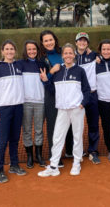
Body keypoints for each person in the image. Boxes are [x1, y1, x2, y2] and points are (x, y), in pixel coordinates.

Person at [38, 43, 91, 177]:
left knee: (77, 137)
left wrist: (82, 104)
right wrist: (45, 80)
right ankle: (54, 166)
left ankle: (76, 163)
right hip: (62, 110)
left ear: (74, 55)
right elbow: (52, 90)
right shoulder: (57, 71)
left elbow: (86, 90)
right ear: (62, 56)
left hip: (76, 109)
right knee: (57, 137)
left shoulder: (80, 71)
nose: (68, 55)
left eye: (70, 53)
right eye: (65, 53)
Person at [0, 40, 26, 184]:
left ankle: (14, 165)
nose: (9, 51)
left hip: (18, 107)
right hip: (3, 109)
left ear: (15, 51)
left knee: (15, 139)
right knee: (3, 141)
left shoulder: (19, 65)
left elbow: (33, 62)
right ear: (2, 51)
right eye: (7, 49)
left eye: (12, 49)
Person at [39, 30, 73, 167]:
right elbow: (43, 79)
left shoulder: (63, 52)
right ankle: (55, 156)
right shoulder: (41, 59)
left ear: (55, 40)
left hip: (67, 93)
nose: (49, 42)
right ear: (42, 43)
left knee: (70, 122)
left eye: (50, 39)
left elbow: (76, 57)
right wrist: (52, 71)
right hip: (51, 95)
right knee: (53, 126)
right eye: (46, 40)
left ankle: (70, 151)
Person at [74, 32, 100, 164]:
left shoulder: (94, 55)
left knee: (93, 124)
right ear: (76, 42)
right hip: (77, 96)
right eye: (80, 40)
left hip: (92, 94)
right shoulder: (70, 56)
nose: (82, 43)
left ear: (87, 43)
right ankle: (76, 151)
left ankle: (92, 151)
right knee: (76, 126)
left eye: (85, 41)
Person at [20, 40, 46, 168]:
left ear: (37, 50)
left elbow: (47, 80)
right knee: (27, 130)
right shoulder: (19, 64)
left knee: (39, 130)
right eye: (29, 49)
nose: (32, 51)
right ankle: (30, 156)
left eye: (34, 49)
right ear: (26, 51)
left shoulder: (42, 64)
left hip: (40, 102)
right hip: (26, 103)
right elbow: (6, 64)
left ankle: (39, 156)